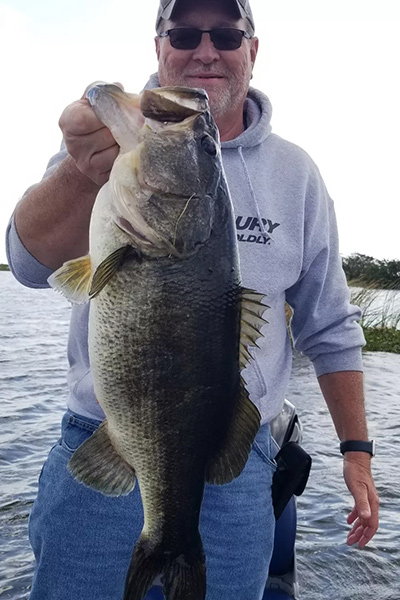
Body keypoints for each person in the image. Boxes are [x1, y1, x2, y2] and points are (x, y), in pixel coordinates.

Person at [6, 0, 379, 599]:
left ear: (251, 52)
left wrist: (357, 453)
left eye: (227, 34)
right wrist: (80, 173)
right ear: (159, 48)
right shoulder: (106, 150)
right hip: (98, 441)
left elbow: (330, 327)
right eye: (184, 32)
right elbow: (26, 264)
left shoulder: (297, 175)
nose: (206, 49)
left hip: (235, 462)